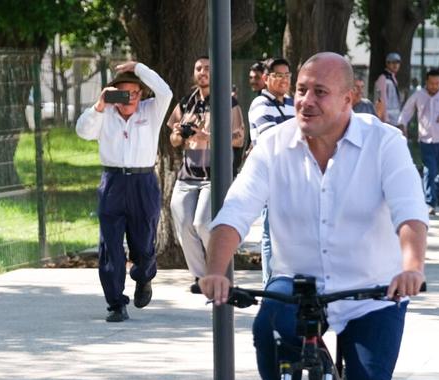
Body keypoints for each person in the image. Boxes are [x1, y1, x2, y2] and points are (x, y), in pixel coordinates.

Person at [199, 52, 428, 380]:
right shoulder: (273, 145)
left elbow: (410, 214)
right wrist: (217, 270)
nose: (305, 100)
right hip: (300, 282)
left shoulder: (383, 143)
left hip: (373, 289)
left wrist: (410, 265)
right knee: (265, 329)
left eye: (319, 92)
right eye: (301, 89)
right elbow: (234, 212)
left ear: (350, 98)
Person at [76, 61, 172, 322]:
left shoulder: (151, 110)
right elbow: (82, 131)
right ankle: (116, 303)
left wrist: (139, 68)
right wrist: (99, 106)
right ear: (112, 93)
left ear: (141, 94)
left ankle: (143, 277)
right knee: (111, 246)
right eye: (121, 92)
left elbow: (166, 92)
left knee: (143, 243)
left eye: (133, 92)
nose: (127, 98)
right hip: (113, 182)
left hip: (143, 183)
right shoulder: (105, 114)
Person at [167, 56, 246, 279]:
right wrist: (179, 134)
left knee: (202, 223)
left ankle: (217, 270)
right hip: (188, 172)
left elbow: (239, 139)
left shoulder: (227, 102)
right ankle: (201, 278)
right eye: (198, 68)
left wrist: (207, 136)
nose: (202, 72)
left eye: (208, 68)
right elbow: (173, 139)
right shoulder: (186, 102)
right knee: (183, 224)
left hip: (215, 174)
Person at [248, 57, 296, 283]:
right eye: (279, 76)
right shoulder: (260, 104)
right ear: (266, 79)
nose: (285, 80)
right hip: (271, 176)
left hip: (292, 176)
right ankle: (270, 285)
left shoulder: (290, 103)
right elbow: (271, 138)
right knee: (270, 233)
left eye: (287, 76)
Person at [399, 68, 439, 214]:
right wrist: (403, 125)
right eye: (432, 83)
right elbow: (407, 111)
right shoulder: (419, 95)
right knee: (429, 171)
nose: (434, 86)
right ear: (426, 82)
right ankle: (429, 202)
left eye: (437, 83)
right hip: (426, 140)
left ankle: (438, 193)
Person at [374, 52, 405, 127]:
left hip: (395, 120)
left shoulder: (392, 78)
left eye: (397, 62)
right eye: (392, 62)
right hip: (388, 121)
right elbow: (382, 99)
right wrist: (385, 119)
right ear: (387, 63)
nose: (395, 65)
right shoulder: (383, 78)